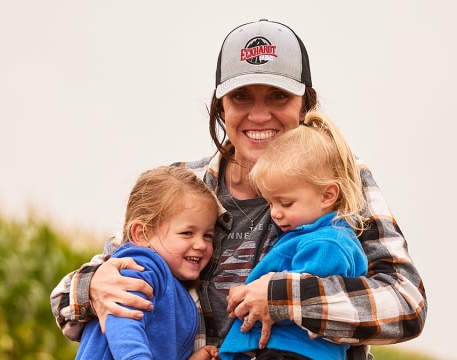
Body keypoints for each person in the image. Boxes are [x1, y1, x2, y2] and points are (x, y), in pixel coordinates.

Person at [50, 19, 427, 359]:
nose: (259, 115)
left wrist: (282, 298)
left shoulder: (342, 178)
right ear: (221, 108)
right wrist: (92, 289)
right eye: (241, 97)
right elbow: (67, 298)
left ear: (305, 105)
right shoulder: (184, 185)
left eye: (278, 96)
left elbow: (407, 304)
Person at [218, 111, 369, 360]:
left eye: (286, 203)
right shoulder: (311, 235)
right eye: (270, 203)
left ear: (327, 195)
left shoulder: (327, 243)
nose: (275, 213)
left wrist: (252, 294)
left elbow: (308, 290)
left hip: (294, 351)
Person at [75, 166, 221, 360]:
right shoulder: (141, 267)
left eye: (208, 235)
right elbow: (121, 320)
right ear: (142, 234)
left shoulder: (172, 285)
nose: (201, 244)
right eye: (187, 233)